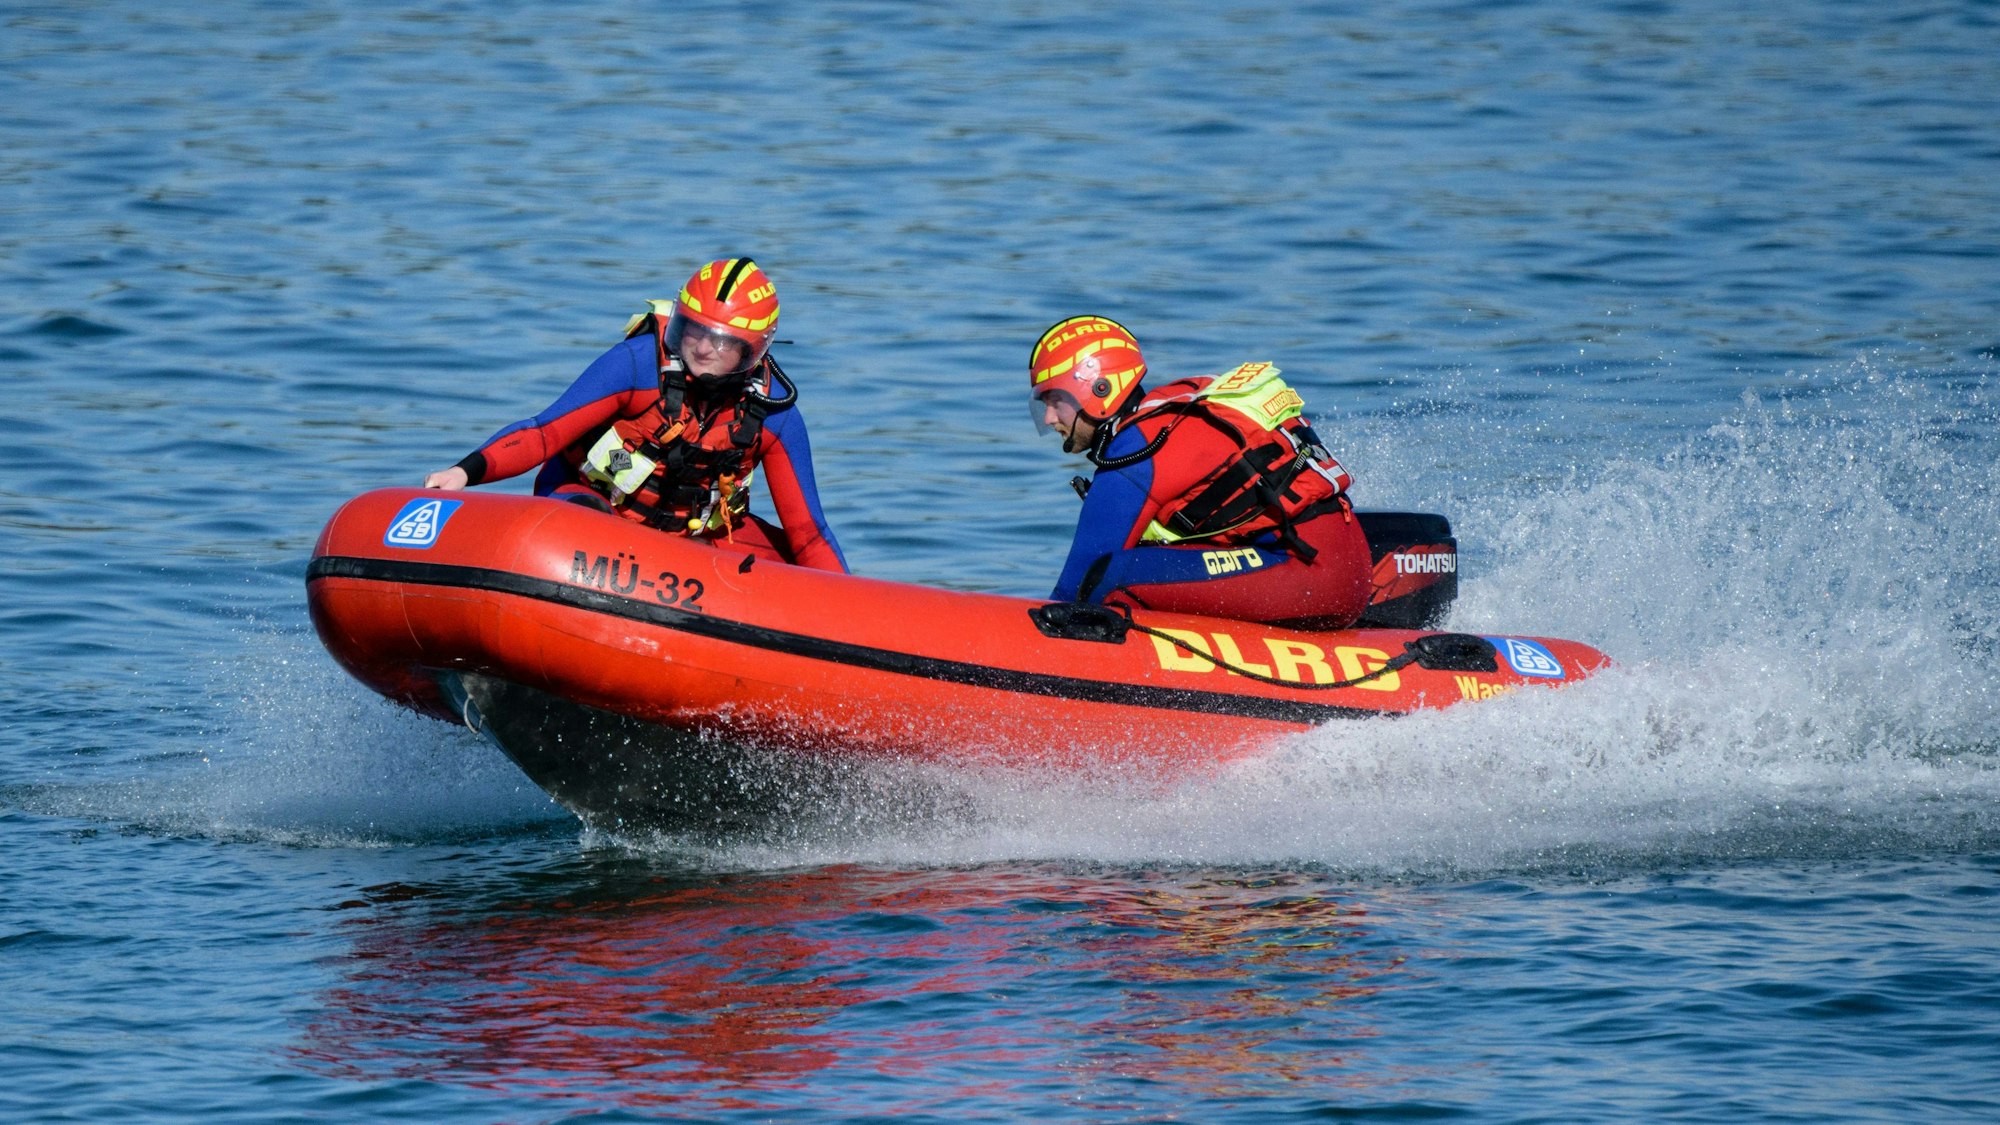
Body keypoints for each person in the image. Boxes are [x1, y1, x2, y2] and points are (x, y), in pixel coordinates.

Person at [423, 258, 846, 572]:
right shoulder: (638, 364)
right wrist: (464, 473)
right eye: (694, 331)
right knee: (585, 524)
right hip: (590, 504)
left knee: (792, 563)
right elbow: (543, 434)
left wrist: (852, 612)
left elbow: (809, 532)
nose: (701, 348)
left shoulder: (774, 414)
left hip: (692, 539)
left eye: (720, 342)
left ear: (752, 352)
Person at [1028, 314, 1371, 628]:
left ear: (1098, 389)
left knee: (1109, 574)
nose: (1048, 419)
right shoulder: (1175, 407)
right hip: (1341, 568)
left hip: (1312, 577)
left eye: (1055, 401)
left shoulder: (1136, 450)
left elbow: (1075, 588)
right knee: (1145, 563)